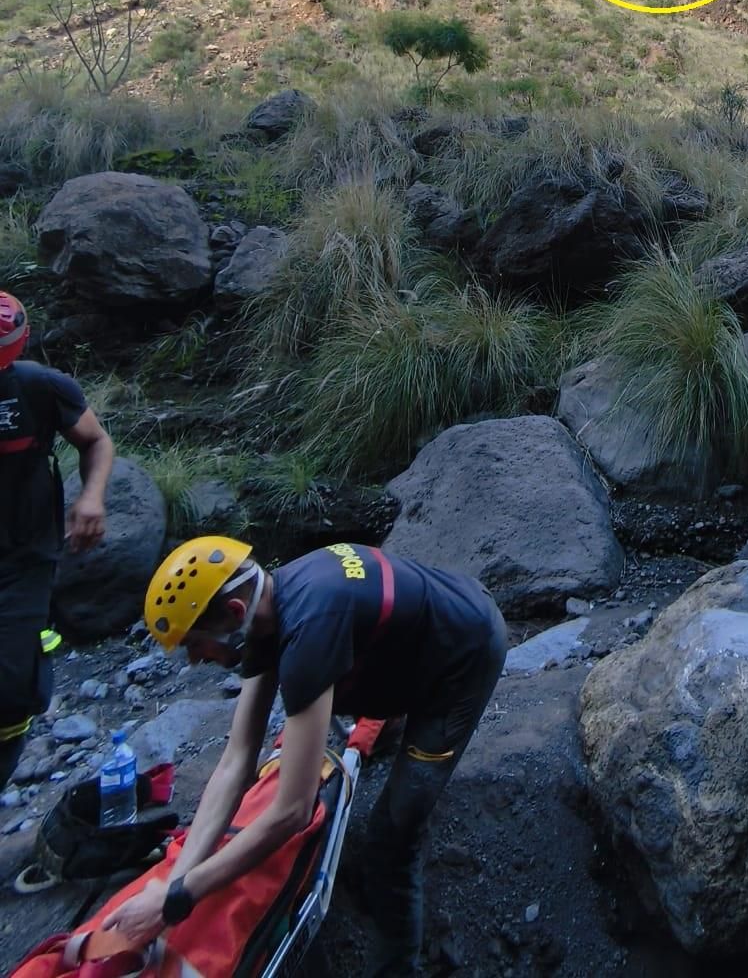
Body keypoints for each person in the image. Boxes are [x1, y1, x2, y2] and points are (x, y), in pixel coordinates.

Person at [109, 535, 508, 978]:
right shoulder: (272, 606)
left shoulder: (312, 624)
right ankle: (393, 720)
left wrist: (179, 900)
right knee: (335, 682)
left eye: (196, 643)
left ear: (235, 612)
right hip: (420, 633)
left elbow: (292, 812)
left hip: (464, 659)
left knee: (390, 841)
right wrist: (174, 881)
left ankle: (398, 969)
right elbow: (236, 761)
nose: (195, 659)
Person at [0, 290, 113, 790]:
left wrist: (91, 497)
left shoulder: (41, 390)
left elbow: (95, 440)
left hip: (24, 553)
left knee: (9, 687)